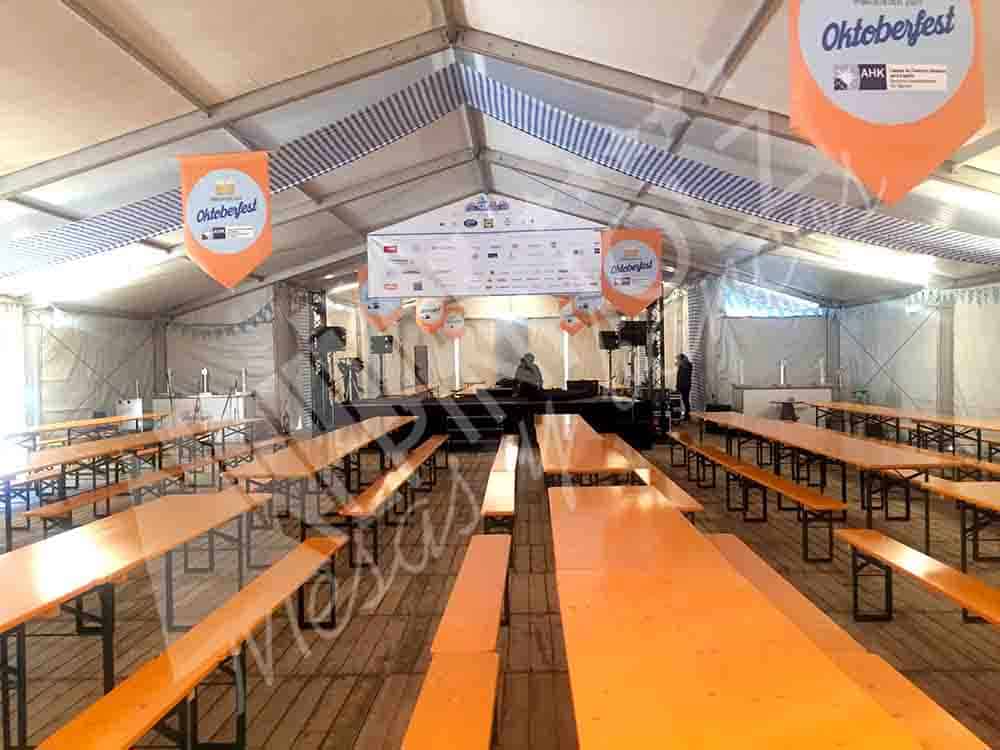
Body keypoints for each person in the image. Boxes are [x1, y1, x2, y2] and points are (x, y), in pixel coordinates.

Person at [675, 353, 693, 421]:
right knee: (685, 400)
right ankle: (686, 415)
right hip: (683, 386)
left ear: (682, 359)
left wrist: (678, 386)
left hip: (685, 386)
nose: (677, 361)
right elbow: (679, 377)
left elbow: (682, 377)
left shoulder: (686, 366)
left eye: (678, 359)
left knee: (685, 401)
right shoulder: (683, 366)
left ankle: (687, 415)